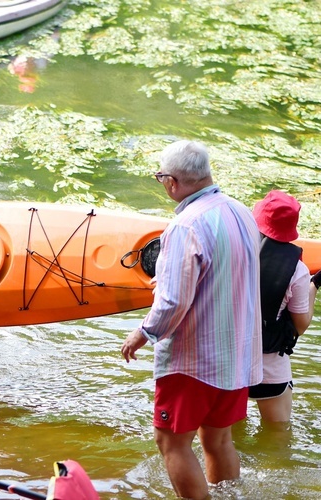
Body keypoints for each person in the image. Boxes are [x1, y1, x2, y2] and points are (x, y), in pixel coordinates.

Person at [120, 140, 263, 500]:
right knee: (218, 438)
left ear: (171, 181)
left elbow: (173, 301)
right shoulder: (241, 211)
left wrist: (143, 332)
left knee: (171, 442)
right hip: (238, 351)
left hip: (194, 358)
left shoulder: (185, 225)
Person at [249, 190, 320, 424]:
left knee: (223, 441)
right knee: (277, 440)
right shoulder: (297, 271)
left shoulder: (234, 253)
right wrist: (314, 285)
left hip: (227, 364)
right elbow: (300, 326)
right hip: (270, 371)